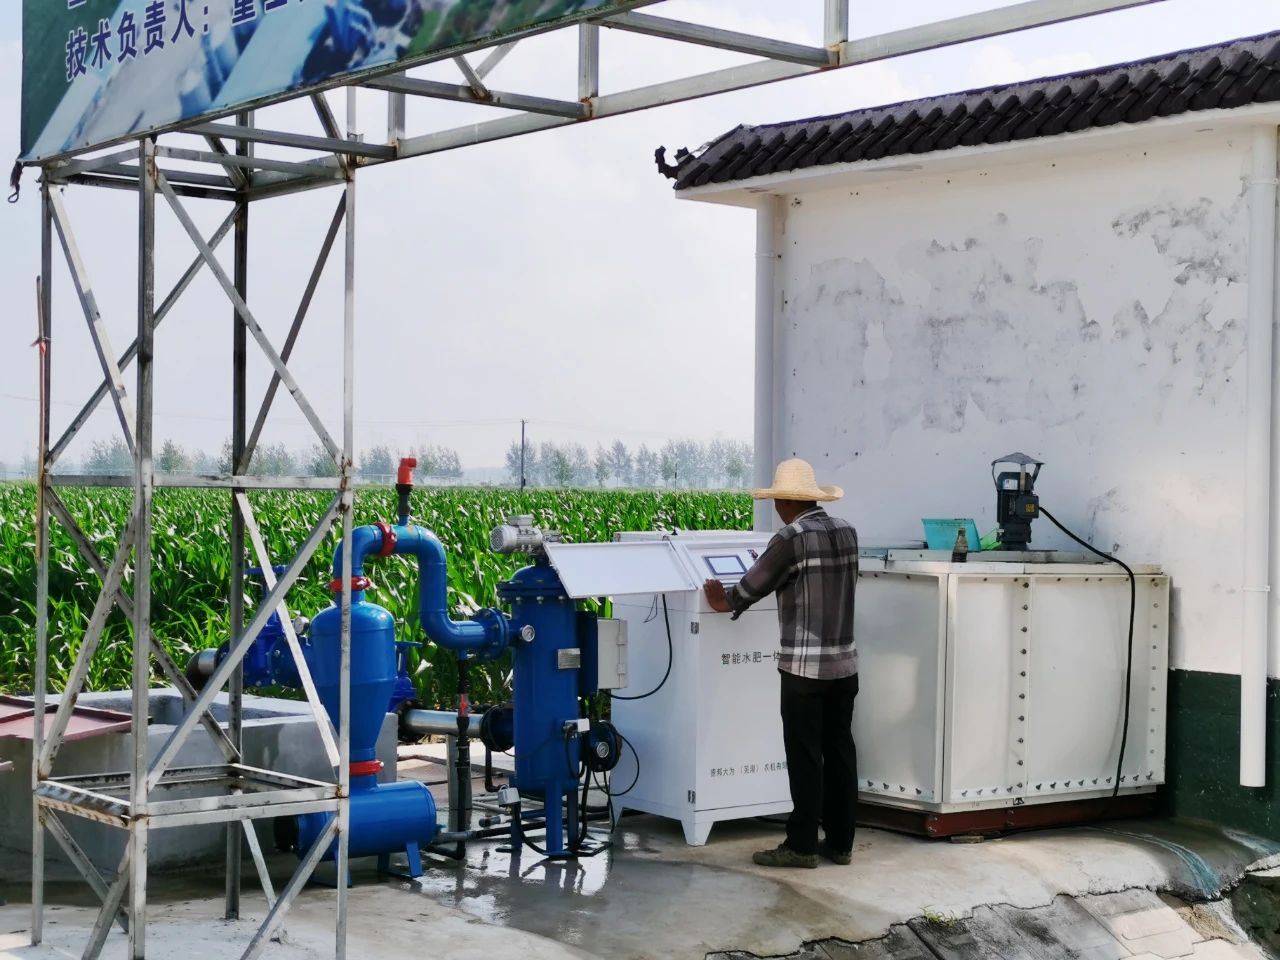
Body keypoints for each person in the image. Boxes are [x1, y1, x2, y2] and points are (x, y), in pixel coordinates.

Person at [703, 458, 859, 869]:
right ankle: (841, 843)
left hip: (804, 670)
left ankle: (801, 846)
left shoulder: (790, 538)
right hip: (845, 664)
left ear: (785, 501)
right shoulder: (847, 531)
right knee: (840, 751)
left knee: (805, 756)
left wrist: (721, 599)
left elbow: (747, 589)